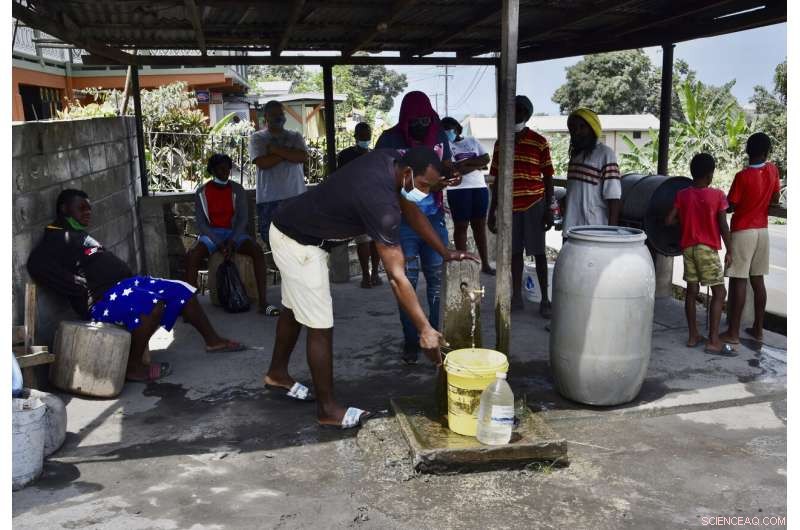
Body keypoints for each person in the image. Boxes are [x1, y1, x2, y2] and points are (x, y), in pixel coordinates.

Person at [263, 147, 476, 429]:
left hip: (290, 226)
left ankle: (277, 374)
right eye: (423, 185)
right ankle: (327, 409)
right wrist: (424, 329)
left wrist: (444, 251)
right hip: (299, 243)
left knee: (293, 308)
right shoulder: (379, 202)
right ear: (408, 173)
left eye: (430, 187)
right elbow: (396, 275)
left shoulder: (389, 162)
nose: (424, 192)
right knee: (320, 325)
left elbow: (410, 210)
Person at [27, 189, 245, 383]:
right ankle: (134, 366)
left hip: (124, 285)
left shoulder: (75, 233)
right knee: (152, 305)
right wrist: (74, 284)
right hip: (102, 299)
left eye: (89, 208)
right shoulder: (56, 236)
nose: (87, 212)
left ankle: (213, 341)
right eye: (81, 208)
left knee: (181, 289)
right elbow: (36, 264)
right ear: (64, 209)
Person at [375, 91, 460, 365]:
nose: (423, 124)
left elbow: (444, 167)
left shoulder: (439, 137)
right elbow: (383, 181)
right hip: (402, 222)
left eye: (427, 118)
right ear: (405, 119)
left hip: (433, 216)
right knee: (406, 283)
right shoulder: (388, 140)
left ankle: (437, 336)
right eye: (416, 120)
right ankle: (412, 341)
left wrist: (450, 175)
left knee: (437, 283)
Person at [184, 153, 279, 316]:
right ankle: (190, 307)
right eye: (221, 168)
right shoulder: (202, 192)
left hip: (234, 233)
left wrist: (233, 241)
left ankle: (263, 302)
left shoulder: (237, 190)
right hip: (212, 234)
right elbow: (201, 223)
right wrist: (219, 243)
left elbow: (242, 219)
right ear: (212, 170)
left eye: (228, 167)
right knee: (193, 256)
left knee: (256, 251)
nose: (226, 171)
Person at [488, 95, 555, 317]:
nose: (513, 115)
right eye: (510, 111)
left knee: (539, 253)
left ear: (526, 114)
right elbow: (496, 177)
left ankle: (545, 299)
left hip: (534, 203)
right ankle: (517, 297)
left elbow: (548, 177)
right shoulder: (501, 142)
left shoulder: (539, 141)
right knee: (514, 253)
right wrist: (493, 210)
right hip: (510, 206)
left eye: (518, 111)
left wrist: (549, 208)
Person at [665, 153, 733, 355]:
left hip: (688, 249)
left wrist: (685, 220)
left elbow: (668, 221)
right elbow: (723, 225)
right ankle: (713, 340)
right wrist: (730, 249)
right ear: (710, 175)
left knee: (692, 291)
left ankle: (693, 336)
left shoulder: (682, 195)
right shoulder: (717, 195)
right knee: (720, 292)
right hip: (706, 249)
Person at [720, 132, 781, 345]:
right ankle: (758, 329)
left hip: (743, 231)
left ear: (747, 151)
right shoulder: (773, 170)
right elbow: (775, 197)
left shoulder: (742, 176)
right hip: (762, 231)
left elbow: (731, 204)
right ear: (766, 152)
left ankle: (733, 333)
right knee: (758, 281)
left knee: (738, 281)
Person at [249, 100, 308, 248]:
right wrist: (289, 153)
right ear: (266, 117)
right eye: (274, 114)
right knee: (274, 244)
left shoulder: (296, 136)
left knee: (300, 243)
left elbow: (302, 157)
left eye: (280, 114)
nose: (278, 117)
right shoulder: (257, 138)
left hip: (297, 197)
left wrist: (275, 150)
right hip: (269, 199)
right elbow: (263, 163)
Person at [441, 116, 494, 275]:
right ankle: (463, 266)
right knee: (461, 226)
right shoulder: (445, 146)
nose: (448, 132)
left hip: (479, 188)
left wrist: (463, 165)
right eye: (445, 130)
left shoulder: (472, 141)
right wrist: (475, 163)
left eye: (450, 128)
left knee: (479, 226)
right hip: (457, 190)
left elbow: (486, 159)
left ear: (457, 128)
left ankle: (485, 264)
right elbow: (452, 169)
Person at [337, 122, 382, 288]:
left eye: (367, 135)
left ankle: (373, 275)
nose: (365, 138)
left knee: (373, 240)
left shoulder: (372, 154)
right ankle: (368, 276)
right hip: (358, 201)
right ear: (355, 136)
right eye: (363, 135)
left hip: (372, 201)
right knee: (365, 240)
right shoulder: (346, 155)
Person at [562, 107, 621, 232]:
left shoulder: (605, 154)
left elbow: (614, 196)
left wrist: (612, 231)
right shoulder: (575, 155)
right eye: (573, 127)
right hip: (570, 228)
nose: (577, 131)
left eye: (582, 126)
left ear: (592, 128)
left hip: (594, 229)